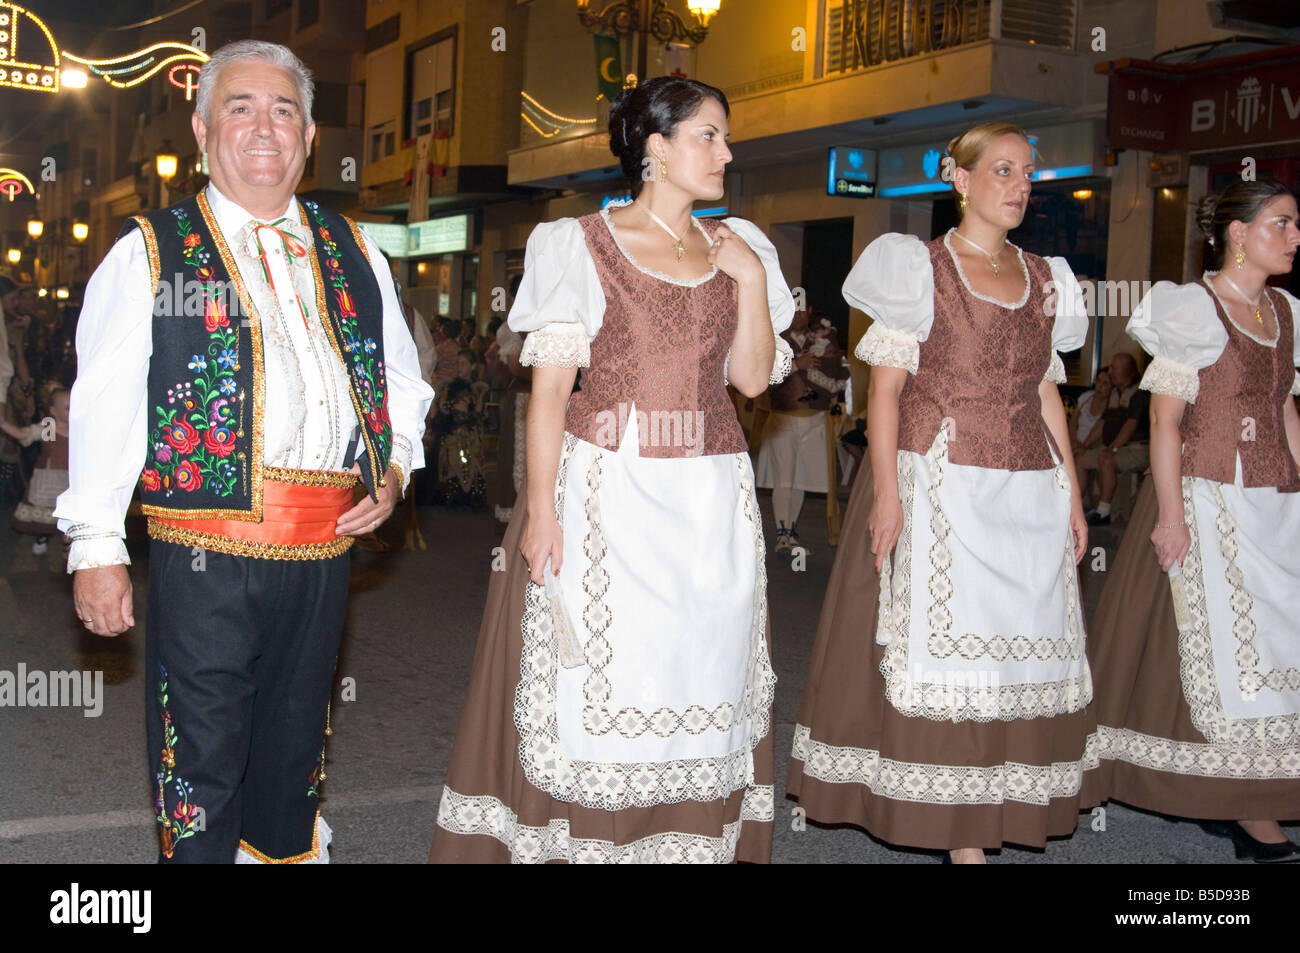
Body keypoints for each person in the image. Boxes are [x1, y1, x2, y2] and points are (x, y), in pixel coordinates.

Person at [53, 40, 433, 863]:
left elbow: (404, 380)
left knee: (293, 764)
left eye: (283, 110)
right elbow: (106, 403)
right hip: (204, 553)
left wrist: (396, 465)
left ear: (310, 134)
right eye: (240, 108)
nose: (264, 128)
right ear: (200, 129)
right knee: (201, 766)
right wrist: (96, 546)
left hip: (326, 549)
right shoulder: (152, 250)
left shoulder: (357, 250)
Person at [429, 76, 793, 863]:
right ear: (656, 148)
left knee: (700, 671)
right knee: (612, 673)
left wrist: (754, 283)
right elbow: (551, 390)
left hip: (711, 492)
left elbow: (757, 380)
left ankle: (683, 842)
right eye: (709, 135)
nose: (726, 152)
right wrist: (542, 513)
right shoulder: (579, 244)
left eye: (726, 138)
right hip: (610, 490)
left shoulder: (739, 247)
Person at [788, 122, 1100, 864]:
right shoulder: (918, 269)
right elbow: (886, 392)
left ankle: (995, 793)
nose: (1020, 185)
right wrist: (888, 489)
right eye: (1002, 170)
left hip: (1026, 482)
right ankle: (958, 829)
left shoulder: (1048, 275)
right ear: (957, 179)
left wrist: (1076, 497)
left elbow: (1047, 393)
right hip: (939, 478)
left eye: (1028, 172)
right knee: (943, 652)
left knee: (1010, 651)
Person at [1088, 180, 1300, 862]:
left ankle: (1257, 783)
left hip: (1271, 495)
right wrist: (1171, 517)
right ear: (1238, 233)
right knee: (1226, 650)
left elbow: (1286, 412)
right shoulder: (1192, 309)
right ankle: (1246, 807)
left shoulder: (1286, 311)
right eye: (1283, 223)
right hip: (1208, 493)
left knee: (1277, 642)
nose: (1295, 236)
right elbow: (1164, 418)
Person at [756, 307, 849, 554]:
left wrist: (831, 361)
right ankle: (782, 533)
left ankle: (791, 533)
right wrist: (798, 364)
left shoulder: (820, 338)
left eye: (803, 311)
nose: (798, 315)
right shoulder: (774, 339)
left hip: (814, 417)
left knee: (800, 478)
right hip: (784, 418)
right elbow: (763, 377)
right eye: (794, 310)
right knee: (784, 478)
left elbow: (839, 369)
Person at [1077, 352, 1149, 524]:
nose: (1110, 371)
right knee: (1080, 460)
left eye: (1114, 367)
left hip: (1136, 447)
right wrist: (1084, 445)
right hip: (1112, 446)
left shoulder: (1140, 393)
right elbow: (1103, 422)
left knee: (1106, 460)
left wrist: (1113, 448)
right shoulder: (1115, 392)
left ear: (1128, 370)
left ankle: (1104, 512)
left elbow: (1130, 425)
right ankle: (1079, 507)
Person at [3, 384, 68, 555]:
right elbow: (23, 434)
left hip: (69, 480)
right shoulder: (50, 428)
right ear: (54, 411)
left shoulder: (78, 428)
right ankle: (42, 536)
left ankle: (68, 545)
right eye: (68, 408)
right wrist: (3, 423)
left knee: (69, 515)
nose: (73, 411)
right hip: (48, 478)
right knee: (45, 512)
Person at [1072, 367, 1110, 450]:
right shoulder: (1085, 397)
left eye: (1105, 384)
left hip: (1095, 448)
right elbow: (1073, 423)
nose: (1100, 386)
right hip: (1075, 444)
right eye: (1098, 381)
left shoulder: (1112, 406)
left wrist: (1085, 447)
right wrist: (1073, 441)